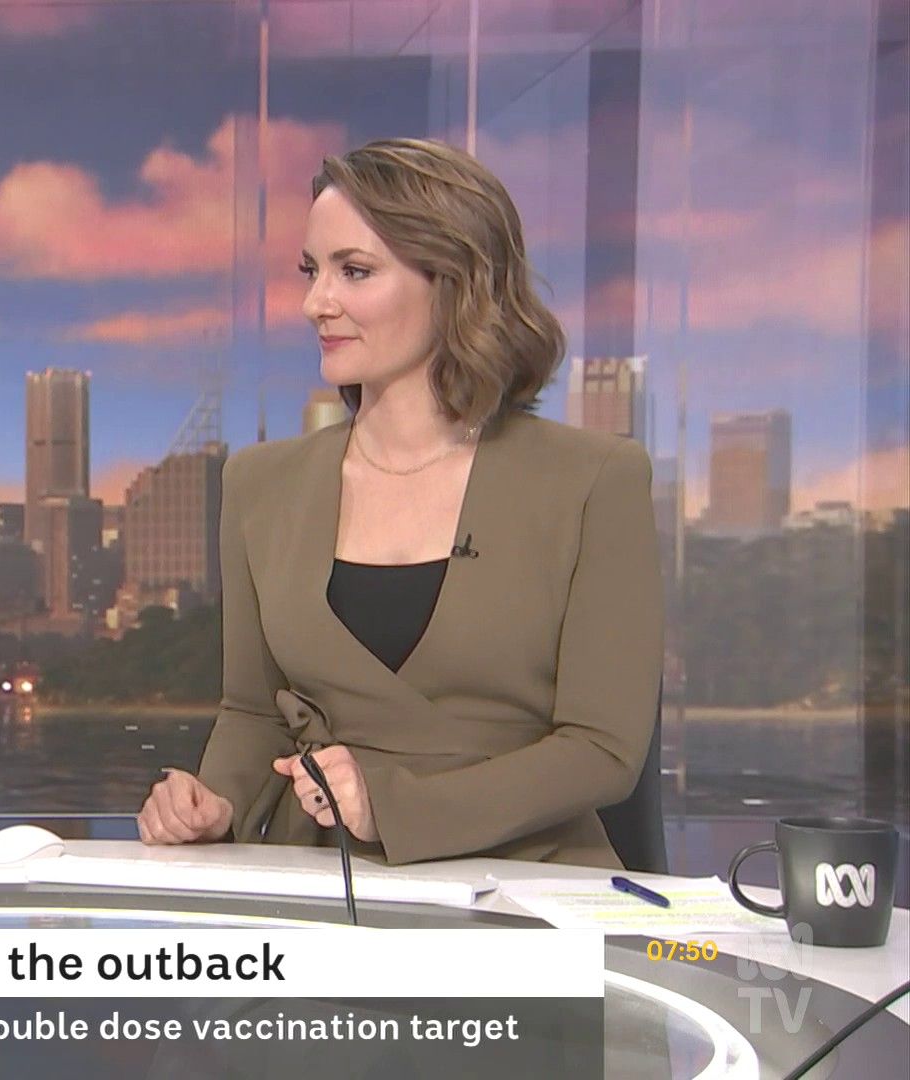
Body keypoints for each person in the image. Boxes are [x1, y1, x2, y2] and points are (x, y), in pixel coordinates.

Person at [137, 138, 662, 867]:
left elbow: (602, 750)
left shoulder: (593, 479)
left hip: (524, 879)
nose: (316, 303)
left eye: (354, 271)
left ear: (454, 282)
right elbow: (254, 712)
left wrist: (393, 805)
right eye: (312, 271)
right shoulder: (260, 484)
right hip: (317, 873)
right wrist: (215, 803)